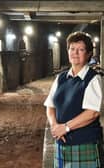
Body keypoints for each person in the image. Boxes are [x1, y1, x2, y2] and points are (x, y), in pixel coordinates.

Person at [43, 31, 103, 168]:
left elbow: (93, 112)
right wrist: (54, 126)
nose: (75, 53)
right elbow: (50, 105)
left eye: (81, 50)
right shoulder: (61, 78)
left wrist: (66, 127)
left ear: (88, 54)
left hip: (84, 143)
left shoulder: (93, 78)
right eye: (72, 48)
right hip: (61, 142)